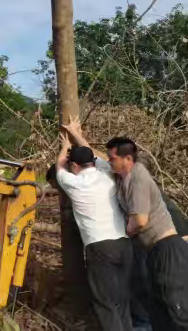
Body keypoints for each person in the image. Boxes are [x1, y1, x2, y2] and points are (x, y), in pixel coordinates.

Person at [102, 140, 188, 331]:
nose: (109, 161)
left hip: (168, 250)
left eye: (112, 158)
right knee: (160, 312)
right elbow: (102, 158)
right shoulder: (127, 181)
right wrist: (76, 136)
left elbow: (140, 221)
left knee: (178, 311)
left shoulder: (140, 179)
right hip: (155, 251)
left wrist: (126, 230)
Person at [55, 131, 133, 331]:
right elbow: (95, 154)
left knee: (105, 302)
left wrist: (65, 145)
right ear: (92, 162)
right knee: (122, 300)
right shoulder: (107, 173)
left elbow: (59, 165)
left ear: (74, 166)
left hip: (99, 247)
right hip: (124, 243)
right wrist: (76, 134)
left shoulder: (73, 183)